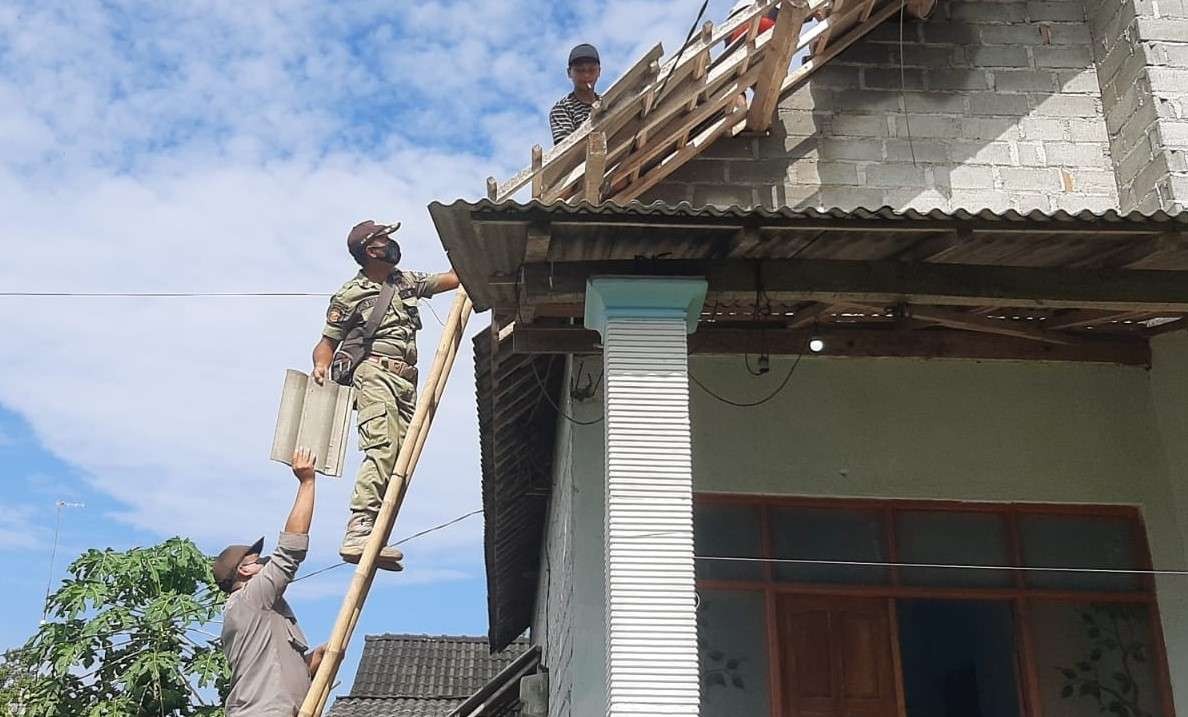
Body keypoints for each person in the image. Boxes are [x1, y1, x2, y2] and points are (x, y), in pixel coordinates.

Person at [311, 220, 459, 571]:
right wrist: (321, 367)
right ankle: (359, 528)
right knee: (382, 445)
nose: (392, 243)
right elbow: (326, 343)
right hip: (374, 372)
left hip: (406, 381)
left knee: (402, 456)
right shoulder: (350, 294)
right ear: (370, 250)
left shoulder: (405, 281)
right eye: (384, 239)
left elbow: (452, 279)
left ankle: (376, 534)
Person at [214, 447, 326, 716]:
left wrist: (314, 662)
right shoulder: (252, 598)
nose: (264, 563)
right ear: (243, 572)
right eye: (258, 560)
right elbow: (290, 551)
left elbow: (274, 673)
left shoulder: (259, 612)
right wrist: (307, 483)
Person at [549, 43, 602, 145]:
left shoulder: (608, 104)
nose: (586, 75)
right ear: (569, 73)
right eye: (580, 70)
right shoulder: (563, 109)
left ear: (599, 71)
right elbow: (566, 149)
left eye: (591, 70)